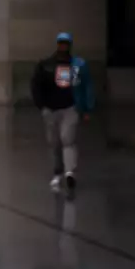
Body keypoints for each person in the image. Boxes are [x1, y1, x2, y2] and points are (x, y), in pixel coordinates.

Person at [31, 32, 94, 197]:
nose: (63, 46)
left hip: (70, 108)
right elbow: (37, 86)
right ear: (57, 45)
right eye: (61, 43)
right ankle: (58, 171)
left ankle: (69, 172)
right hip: (51, 110)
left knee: (68, 139)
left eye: (66, 43)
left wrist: (87, 108)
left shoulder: (77, 65)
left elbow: (86, 85)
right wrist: (42, 106)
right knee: (54, 143)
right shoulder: (46, 65)